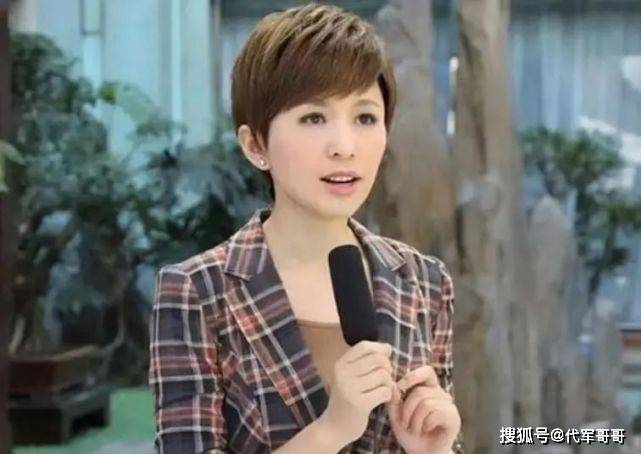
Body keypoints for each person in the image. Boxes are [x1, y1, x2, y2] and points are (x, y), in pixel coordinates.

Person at [149, 2, 464, 453]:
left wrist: (434, 450)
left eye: (365, 117)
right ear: (255, 144)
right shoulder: (197, 292)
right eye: (314, 118)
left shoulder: (425, 282)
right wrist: (331, 429)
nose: (344, 147)